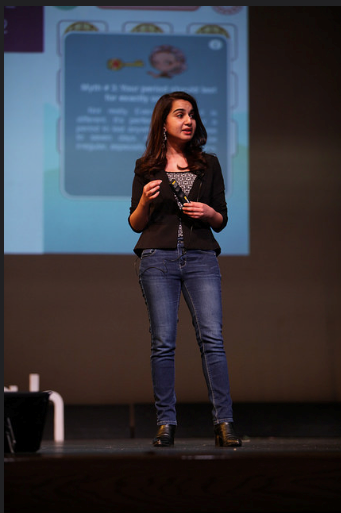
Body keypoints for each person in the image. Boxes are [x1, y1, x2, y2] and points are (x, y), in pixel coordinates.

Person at [128, 91, 242, 448]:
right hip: (157, 259)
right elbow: (135, 223)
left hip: (201, 258)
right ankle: (166, 424)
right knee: (163, 343)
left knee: (213, 339)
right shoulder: (146, 167)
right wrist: (145, 201)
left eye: (192, 114)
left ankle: (224, 424)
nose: (188, 120)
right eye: (179, 114)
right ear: (163, 122)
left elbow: (221, 218)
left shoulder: (209, 165)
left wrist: (210, 214)